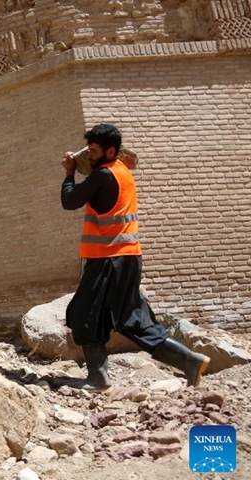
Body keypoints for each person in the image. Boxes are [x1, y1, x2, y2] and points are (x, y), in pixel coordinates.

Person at [60, 123, 210, 392]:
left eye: (93, 151)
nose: (90, 155)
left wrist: (70, 173)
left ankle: (98, 378)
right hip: (126, 258)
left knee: (83, 314)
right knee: (131, 319)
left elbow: (69, 201)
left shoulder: (103, 175)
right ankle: (189, 361)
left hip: (109, 260)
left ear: (111, 150)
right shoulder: (121, 171)